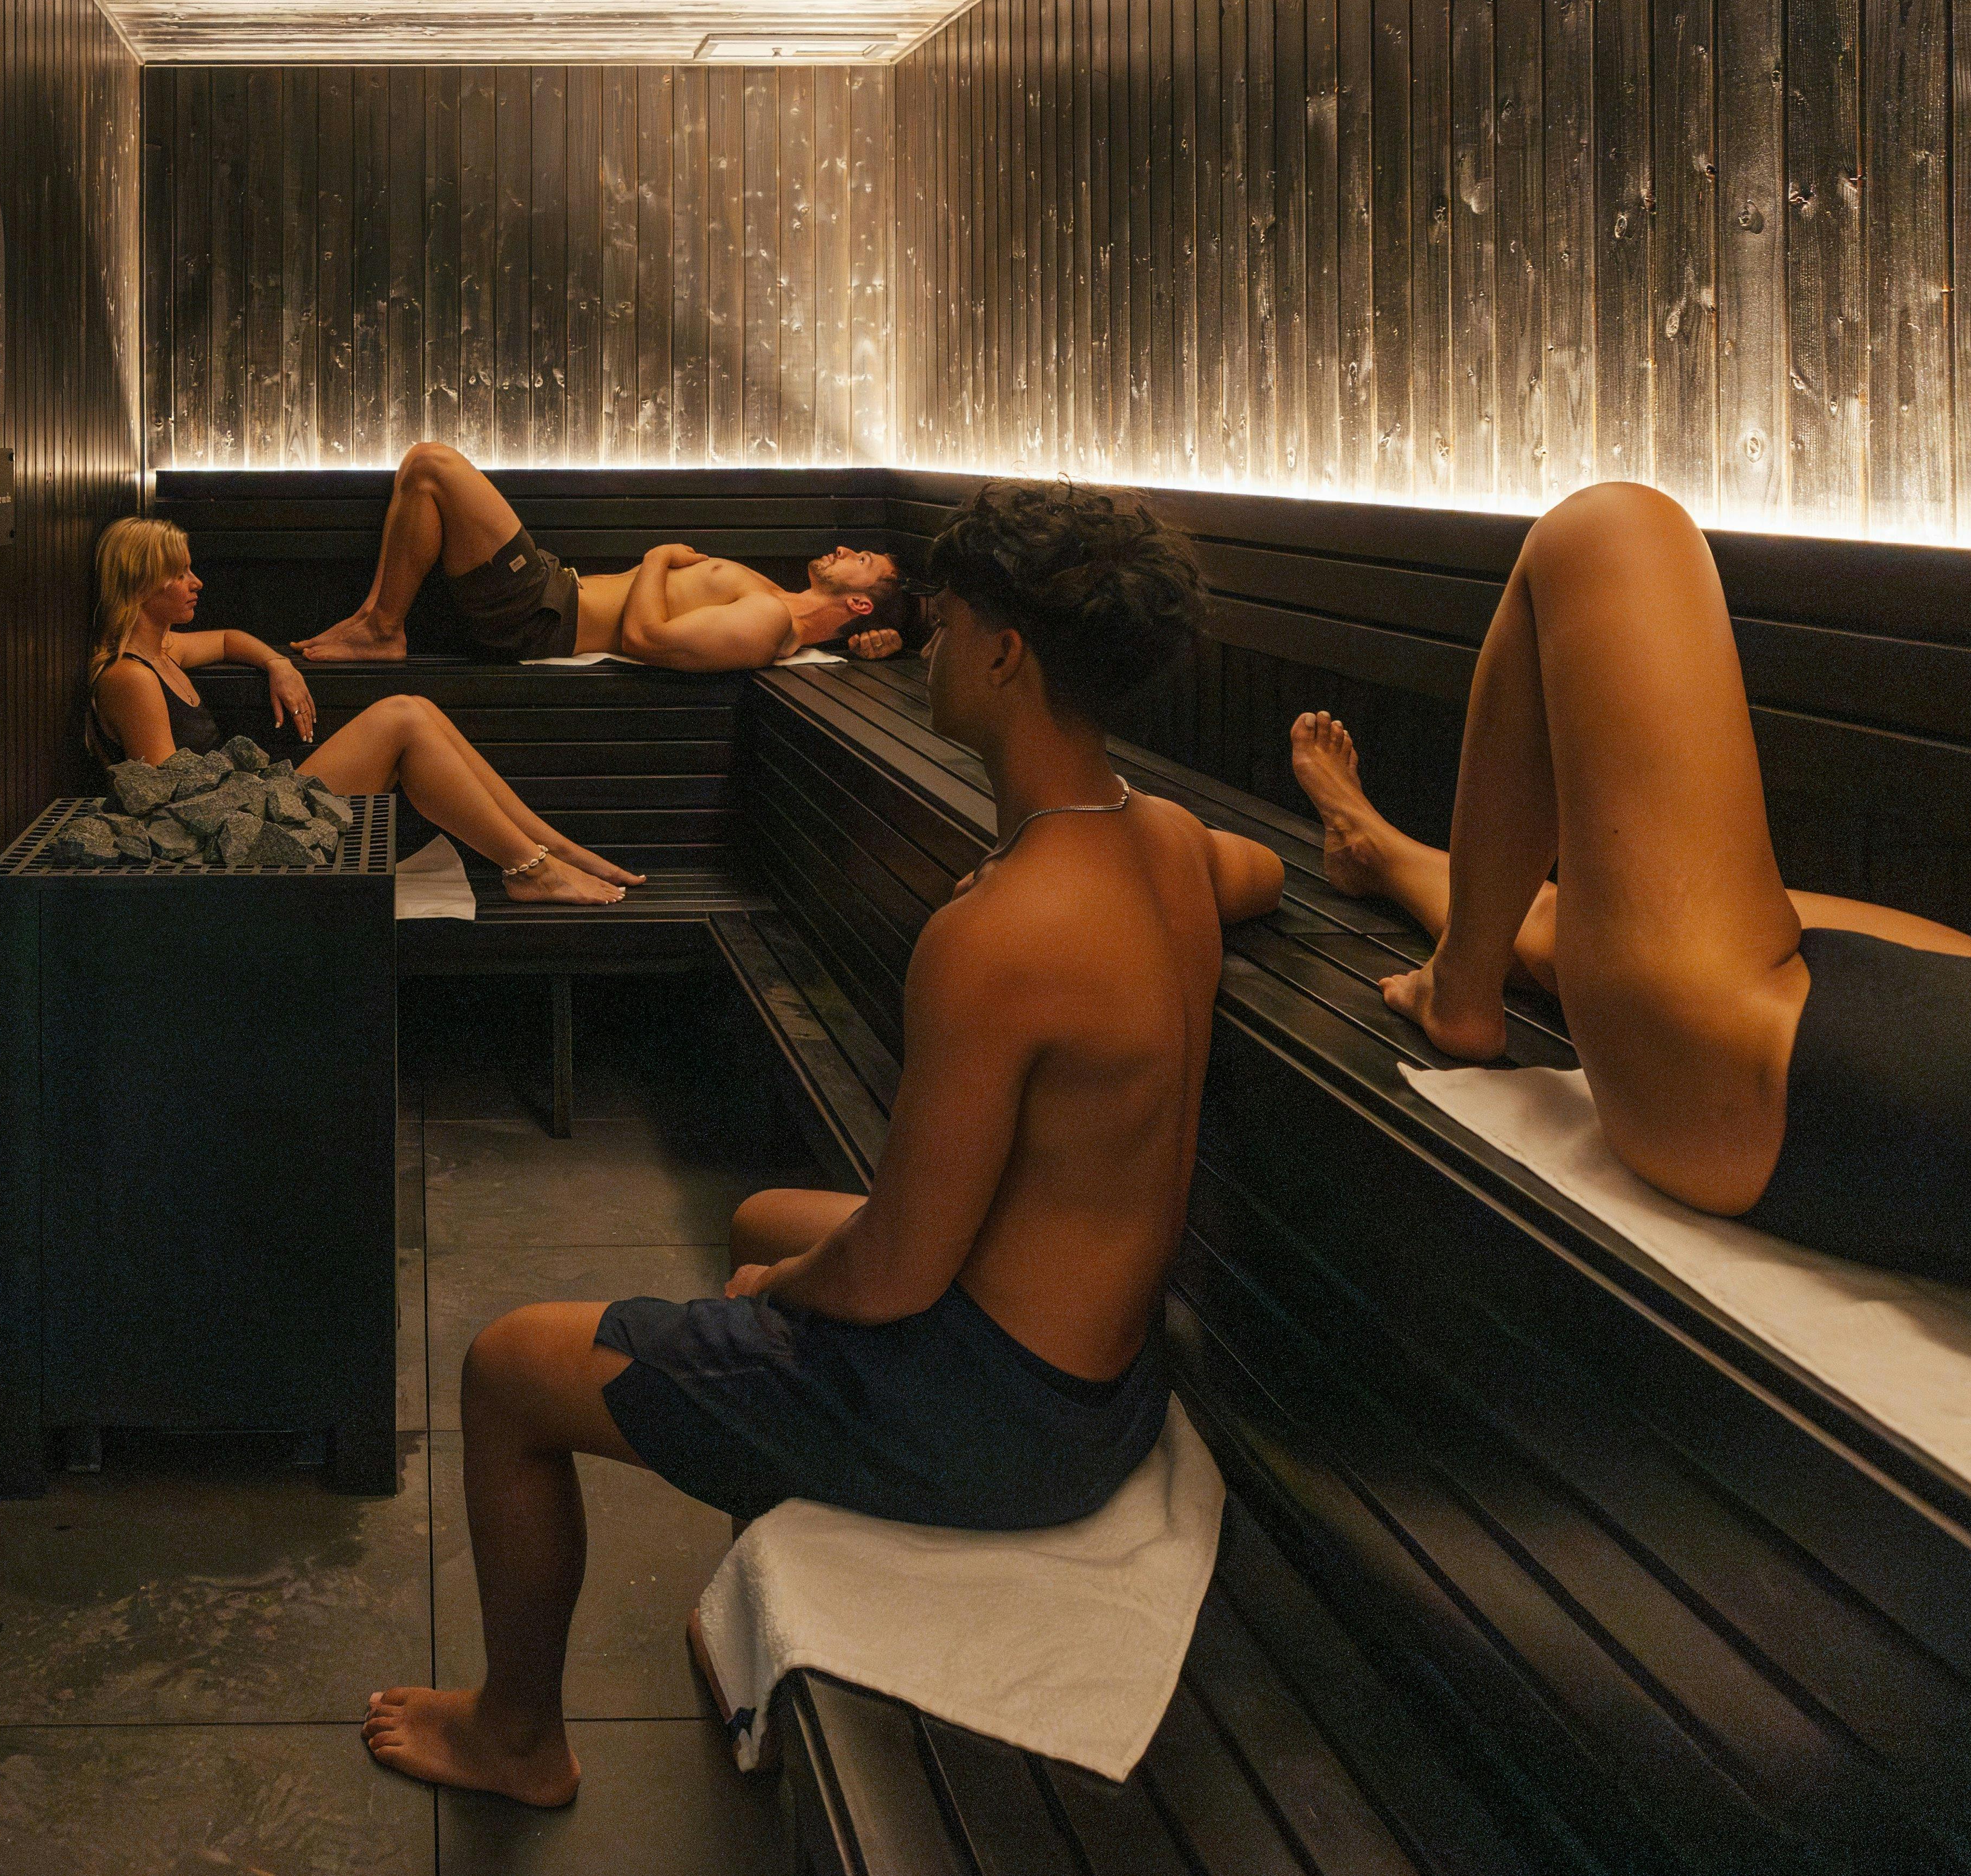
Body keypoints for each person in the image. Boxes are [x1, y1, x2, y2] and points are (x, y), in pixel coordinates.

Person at [364, 482, 1287, 1807]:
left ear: (1005, 654)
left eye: (948, 620)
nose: (925, 643)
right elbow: (1249, 876)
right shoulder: (1170, 849)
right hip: (1101, 1386)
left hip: (988, 1417)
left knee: (513, 1369)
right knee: (761, 1218)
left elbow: (898, 1273)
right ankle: (756, 1580)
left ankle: (516, 1735)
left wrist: (779, 1300)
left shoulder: (997, 938)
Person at [1279, 481, 1971, 1414]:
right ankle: (1383, 852)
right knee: (1579, 915)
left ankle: (1453, 988)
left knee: (1605, 533)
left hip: (1778, 1071)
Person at [85, 518, 641, 905]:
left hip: (249, 804)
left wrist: (280, 665)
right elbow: (165, 805)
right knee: (402, 718)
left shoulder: (164, 651)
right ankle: (532, 870)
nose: (196, 582)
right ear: (142, 582)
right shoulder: (130, 677)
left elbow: (231, 639)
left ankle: (552, 851)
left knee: (414, 707)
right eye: (181, 573)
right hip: (234, 839)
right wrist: (255, 794)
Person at [291, 439, 908, 671]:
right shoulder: (772, 601)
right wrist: (880, 642)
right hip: (549, 597)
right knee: (420, 471)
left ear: (858, 600)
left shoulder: (773, 621)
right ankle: (375, 621)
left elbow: (644, 639)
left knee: (431, 465)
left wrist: (658, 556)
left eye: (865, 561)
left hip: (542, 615)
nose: (847, 549)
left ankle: (381, 628)